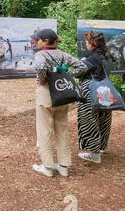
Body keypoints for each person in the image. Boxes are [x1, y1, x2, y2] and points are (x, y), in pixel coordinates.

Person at [31, 29, 87, 177]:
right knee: (62, 130)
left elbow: (41, 67)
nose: (35, 42)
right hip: (62, 95)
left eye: (37, 40)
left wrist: (42, 79)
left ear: (45, 41)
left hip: (46, 95)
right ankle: (64, 165)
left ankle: (47, 166)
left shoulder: (40, 54)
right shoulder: (63, 54)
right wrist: (67, 75)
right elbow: (82, 66)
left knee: (45, 131)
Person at [76, 31, 113, 164]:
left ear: (92, 43)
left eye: (87, 41)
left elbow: (76, 72)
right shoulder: (107, 56)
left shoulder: (89, 58)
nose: (85, 43)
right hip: (106, 89)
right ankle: (101, 147)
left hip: (90, 89)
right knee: (104, 118)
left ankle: (93, 153)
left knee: (88, 119)